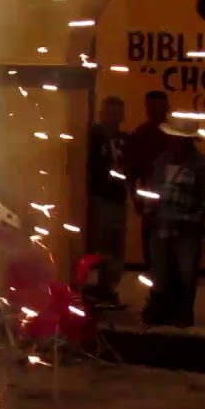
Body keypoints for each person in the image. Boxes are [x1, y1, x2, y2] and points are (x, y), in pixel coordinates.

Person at [141, 117, 205, 327]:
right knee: (160, 269)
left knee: (186, 270)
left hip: (187, 226)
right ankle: (162, 310)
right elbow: (150, 190)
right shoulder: (161, 162)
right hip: (161, 223)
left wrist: (196, 220)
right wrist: (149, 213)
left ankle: (183, 312)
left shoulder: (201, 165)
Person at [86, 96, 128, 303]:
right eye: (110, 114)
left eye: (117, 114)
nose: (114, 118)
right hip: (99, 197)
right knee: (100, 243)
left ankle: (107, 287)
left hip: (117, 198)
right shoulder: (93, 137)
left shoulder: (124, 140)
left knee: (114, 245)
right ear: (102, 114)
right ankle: (94, 286)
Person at [126, 90, 171, 269]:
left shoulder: (174, 136)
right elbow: (132, 170)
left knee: (165, 247)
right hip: (152, 200)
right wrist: (135, 197)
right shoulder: (141, 134)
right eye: (150, 107)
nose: (153, 111)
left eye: (156, 107)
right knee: (152, 247)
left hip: (169, 200)